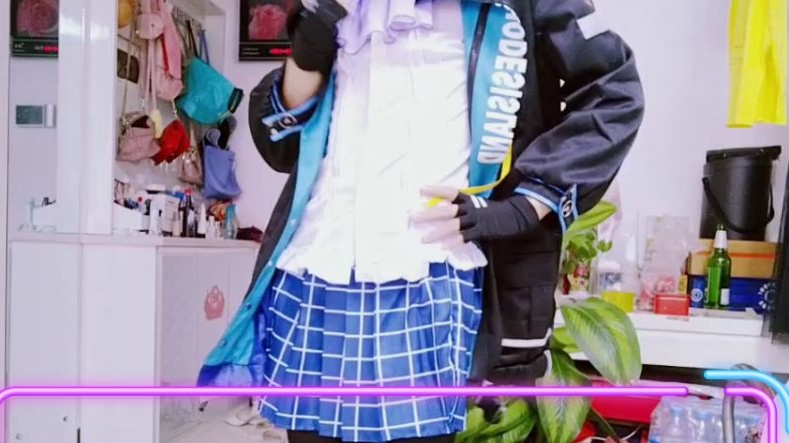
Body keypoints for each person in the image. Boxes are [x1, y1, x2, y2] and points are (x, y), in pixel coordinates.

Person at [198, 1, 644, 443]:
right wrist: (315, 30)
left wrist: (525, 205)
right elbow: (279, 145)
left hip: (430, 276)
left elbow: (614, 91)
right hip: (316, 271)